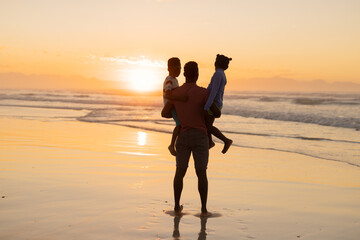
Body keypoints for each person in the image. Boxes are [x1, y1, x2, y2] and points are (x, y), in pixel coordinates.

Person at [162, 61, 210, 216]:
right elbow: (213, 112)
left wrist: (180, 112)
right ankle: (203, 209)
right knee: (201, 173)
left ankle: (176, 207)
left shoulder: (176, 93)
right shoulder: (203, 93)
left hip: (183, 135)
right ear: (197, 74)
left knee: (180, 172)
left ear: (184, 74)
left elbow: (164, 113)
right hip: (200, 136)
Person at [204, 54, 233, 154]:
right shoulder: (221, 74)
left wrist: (207, 105)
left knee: (208, 126)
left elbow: (214, 91)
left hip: (214, 104)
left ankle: (225, 140)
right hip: (217, 103)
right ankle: (210, 142)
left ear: (216, 63)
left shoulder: (218, 74)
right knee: (207, 124)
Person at [163, 57, 187, 156]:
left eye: (180, 68)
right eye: (177, 68)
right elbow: (168, 94)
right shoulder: (169, 80)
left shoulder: (174, 80)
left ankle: (176, 143)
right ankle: (172, 145)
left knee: (181, 123)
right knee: (179, 124)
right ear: (169, 68)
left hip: (175, 105)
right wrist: (181, 99)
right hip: (171, 106)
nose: (179, 70)